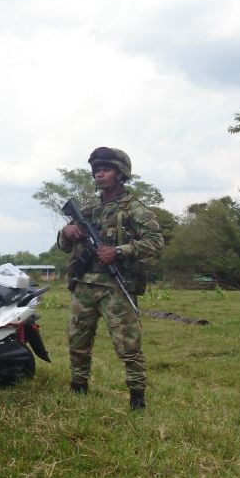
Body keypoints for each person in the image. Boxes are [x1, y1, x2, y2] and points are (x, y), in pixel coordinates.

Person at [58, 147, 163, 410]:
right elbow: (64, 246)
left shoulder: (134, 209)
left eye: (106, 169)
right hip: (84, 284)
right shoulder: (89, 209)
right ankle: (78, 388)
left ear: (120, 174)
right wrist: (67, 232)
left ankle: (137, 398)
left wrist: (117, 251)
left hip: (117, 286)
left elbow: (155, 242)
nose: (100, 174)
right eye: (96, 171)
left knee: (128, 346)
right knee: (77, 340)